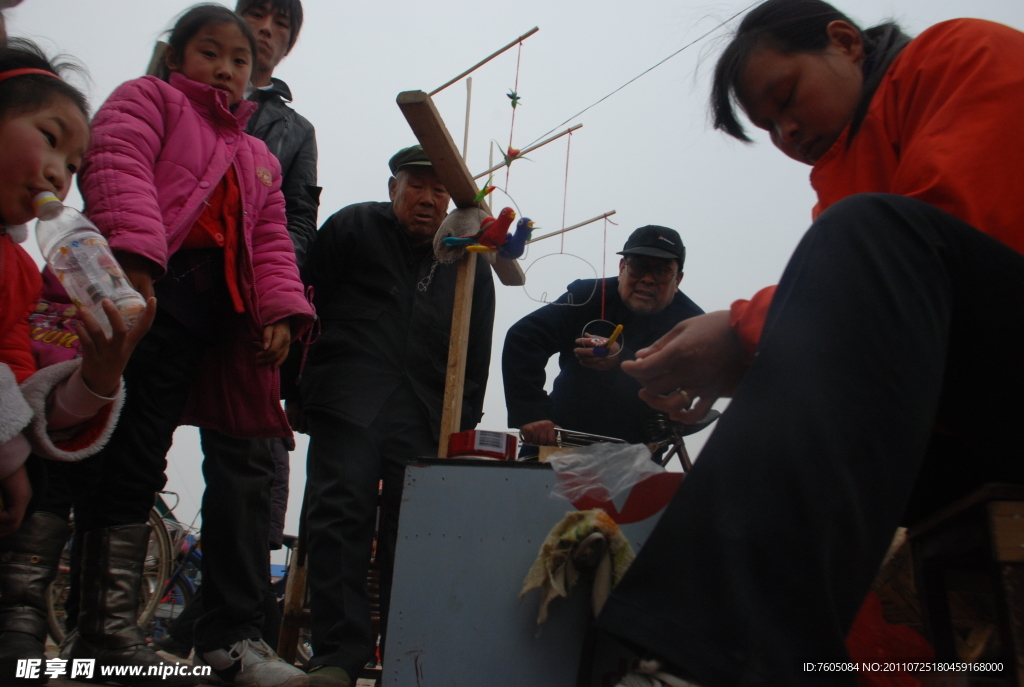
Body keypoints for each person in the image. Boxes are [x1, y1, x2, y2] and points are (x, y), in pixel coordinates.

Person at [594, 2, 1024, 685]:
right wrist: (755, 366)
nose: (787, 131)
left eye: (786, 98)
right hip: (966, 423)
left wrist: (743, 330)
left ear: (845, 42)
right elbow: (854, 346)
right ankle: (685, 655)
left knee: (869, 235)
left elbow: (963, 228)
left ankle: (714, 658)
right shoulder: (845, 180)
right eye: (769, 128)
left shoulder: (961, 56)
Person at [65, 6, 319, 686]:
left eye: (239, 60)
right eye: (213, 53)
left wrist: (281, 311)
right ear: (177, 57)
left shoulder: (264, 151)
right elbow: (118, 165)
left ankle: (136, 634)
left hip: (208, 329)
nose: (229, 68)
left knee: (186, 461)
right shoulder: (148, 99)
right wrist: (138, 259)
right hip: (138, 302)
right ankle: (65, 628)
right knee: (99, 453)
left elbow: (274, 237)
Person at [298, 145, 496, 687]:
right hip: (349, 398)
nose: (428, 199)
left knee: (414, 535)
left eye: (440, 190)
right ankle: (339, 656)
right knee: (339, 514)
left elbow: (475, 351)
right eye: (416, 185)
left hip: (425, 411)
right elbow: (305, 301)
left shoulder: (470, 259)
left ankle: (406, 656)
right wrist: (297, 390)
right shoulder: (352, 228)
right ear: (393, 188)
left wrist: (461, 427)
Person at [0, 39, 156, 685]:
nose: (61, 172)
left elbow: (18, 390)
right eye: (50, 137)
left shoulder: (20, 268)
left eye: (74, 163)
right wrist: (11, 458)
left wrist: (99, 378)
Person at [503, 225, 703, 450]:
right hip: (558, 439)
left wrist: (621, 361)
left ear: (678, 279)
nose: (648, 279)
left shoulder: (692, 324)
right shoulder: (586, 296)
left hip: (636, 454)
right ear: (622, 267)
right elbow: (525, 337)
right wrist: (531, 412)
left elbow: (687, 383)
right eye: (638, 266)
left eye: (662, 271)